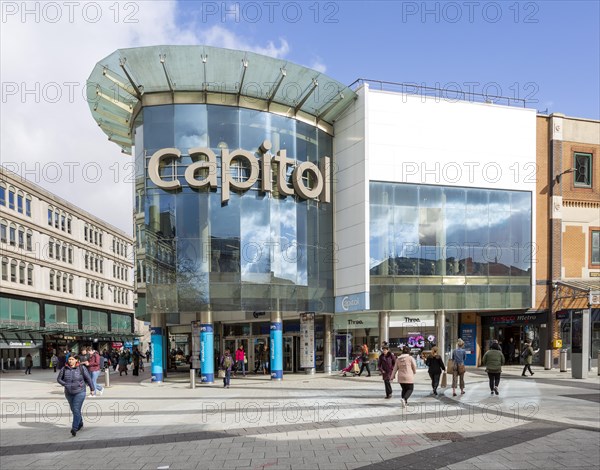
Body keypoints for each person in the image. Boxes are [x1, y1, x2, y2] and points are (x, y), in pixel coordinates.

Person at [57, 355, 94, 436]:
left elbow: (88, 378)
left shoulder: (81, 368)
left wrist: (92, 389)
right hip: (68, 393)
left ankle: (74, 428)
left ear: (76, 360)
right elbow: (59, 379)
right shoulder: (64, 368)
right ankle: (80, 423)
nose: (70, 361)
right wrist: (65, 384)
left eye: (72, 359)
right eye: (69, 359)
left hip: (80, 392)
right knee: (74, 409)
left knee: (76, 409)